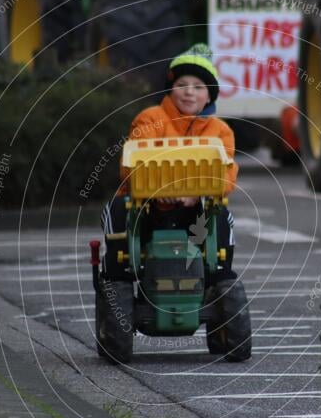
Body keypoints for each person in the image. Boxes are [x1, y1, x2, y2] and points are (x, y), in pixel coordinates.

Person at [101, 43, 238, 285]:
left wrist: (198, 194)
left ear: (209, 95)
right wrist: (157, 190)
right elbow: (131, 164)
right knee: (117, 209)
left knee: (221, 215)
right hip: (148, 209)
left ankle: (219, 274)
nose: (189, 92)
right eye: (181, 85)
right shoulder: (150, 119)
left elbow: (227, 173)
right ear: (170, 89)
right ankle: (116, 275)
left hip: (194, 212)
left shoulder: (220, 130)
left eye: (198, 87)